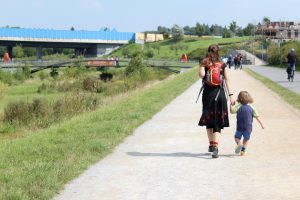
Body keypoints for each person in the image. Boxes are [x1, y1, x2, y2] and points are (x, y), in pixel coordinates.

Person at [198, 44, 235, 158]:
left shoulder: (205, 62)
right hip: (220, 94)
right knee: (218, 120)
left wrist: (201, 65)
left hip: (208, 94)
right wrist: (231, 95)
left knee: (209, 120)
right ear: (218, 52)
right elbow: (227, 79)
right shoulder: (222, 64)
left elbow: (201, 75)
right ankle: (215, 146)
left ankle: (211, 145)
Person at [230, 91, 264, 156]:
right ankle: (243, 151)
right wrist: (262, 124)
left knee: (236, 137)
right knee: (246, 139)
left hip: (239, 127)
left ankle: (239, 144)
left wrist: (231, 105)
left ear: (239, 98)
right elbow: (257, 117)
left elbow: (232, 111)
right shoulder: (252, 108)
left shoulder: (238, 106)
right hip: (248, 127)